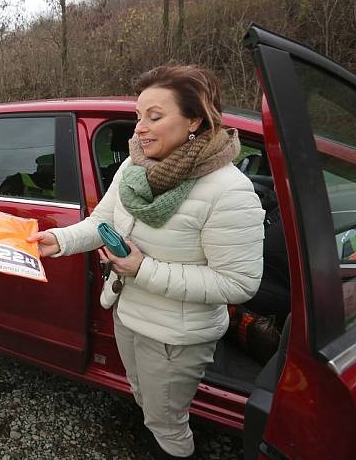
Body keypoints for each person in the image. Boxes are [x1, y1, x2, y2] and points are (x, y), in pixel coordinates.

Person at [29, 65, 265, 459]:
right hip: (128, 313)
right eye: (139, 116)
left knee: (166, 418)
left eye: (155, 116)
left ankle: (175, 449)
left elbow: (239, 283)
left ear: (194, 119)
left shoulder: (229, 191)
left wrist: (143, 269)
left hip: (176, 336)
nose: (139, 128)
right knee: (144, 397)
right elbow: (102, 223)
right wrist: (58, 239)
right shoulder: (134, 166)